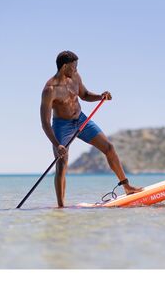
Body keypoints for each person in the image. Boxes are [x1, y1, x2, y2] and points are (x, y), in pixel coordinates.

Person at [40, 50, 142, 207]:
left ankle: (127, 186)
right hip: (62, 125)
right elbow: (45, 122)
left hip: (81, 119)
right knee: (61, 163)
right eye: (74, 67)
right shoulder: (50, 89)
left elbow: (85, 95)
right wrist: (56, 144)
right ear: (64, 66)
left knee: (109, 148)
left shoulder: (75, 77)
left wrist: (100, 96)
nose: (76, 69)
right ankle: (61, 207)